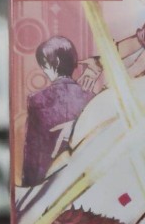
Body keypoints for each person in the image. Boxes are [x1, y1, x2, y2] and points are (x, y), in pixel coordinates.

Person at [21, 36, 93, 187]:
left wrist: (29, 187)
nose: (43, 70)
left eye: (44, 64)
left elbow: (32, 153)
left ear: (56, 62)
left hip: (49, 182)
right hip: (84, 178)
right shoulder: (90, 98)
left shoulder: (37, 100)